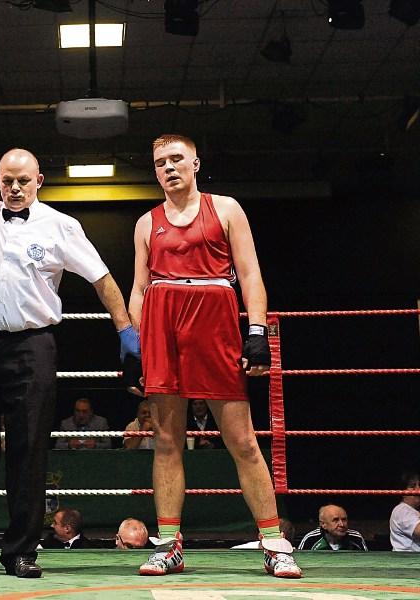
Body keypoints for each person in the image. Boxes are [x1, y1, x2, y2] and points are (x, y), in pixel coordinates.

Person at [0, 63, 140, 579]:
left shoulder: (62, 225)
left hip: (34, 347)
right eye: (7, 181)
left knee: (29, 451)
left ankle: (21, 551)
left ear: (39, 180)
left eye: (23, 181)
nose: (15, 188)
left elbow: (104, 280)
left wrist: (127, 333)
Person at [127, 134, 301, 578]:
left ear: (196, 163)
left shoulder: (225, 208)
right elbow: (139, 289)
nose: (168, 168)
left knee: (242, 440)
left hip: (215, 318)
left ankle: (274, 541)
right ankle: (168, 545)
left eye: (176, 159)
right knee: (166, 441)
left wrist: (257, 331)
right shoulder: (146, 223)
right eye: (160, 162)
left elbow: (249, 274)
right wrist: (132, 342)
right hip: (163, 323)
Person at [298, 504, 368, 551]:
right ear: (323, 524)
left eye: (344, 519)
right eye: (335, 520)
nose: (342, 524)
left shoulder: (356, 538)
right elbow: (297, 565)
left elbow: (367, 564)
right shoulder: (310, 539)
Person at [390, 469, 420, 551]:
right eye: (413, 486)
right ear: (403, 492)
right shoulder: (402, 510)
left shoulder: (414, 510)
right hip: (408, 561)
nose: (418, 490)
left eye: (419, 485)